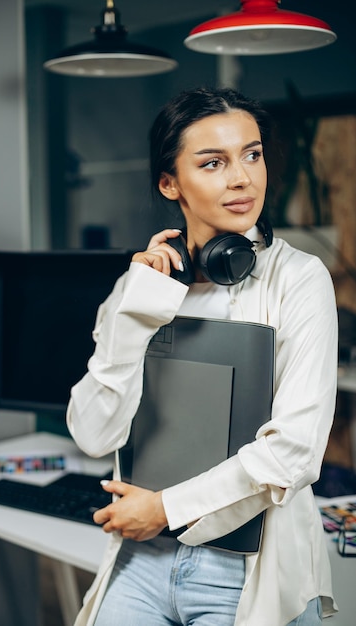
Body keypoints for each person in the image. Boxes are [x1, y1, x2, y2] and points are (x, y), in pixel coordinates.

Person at [66, 86, 338, 626]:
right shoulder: (140, 284)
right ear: (170, 183)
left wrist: (162, 507)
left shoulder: (300, 280)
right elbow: (92, 435)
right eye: (213, 162)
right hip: (142, 561)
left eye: (252, 154)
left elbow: (296, 453)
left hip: (250, 569)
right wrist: (137, 313)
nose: (242, 178)